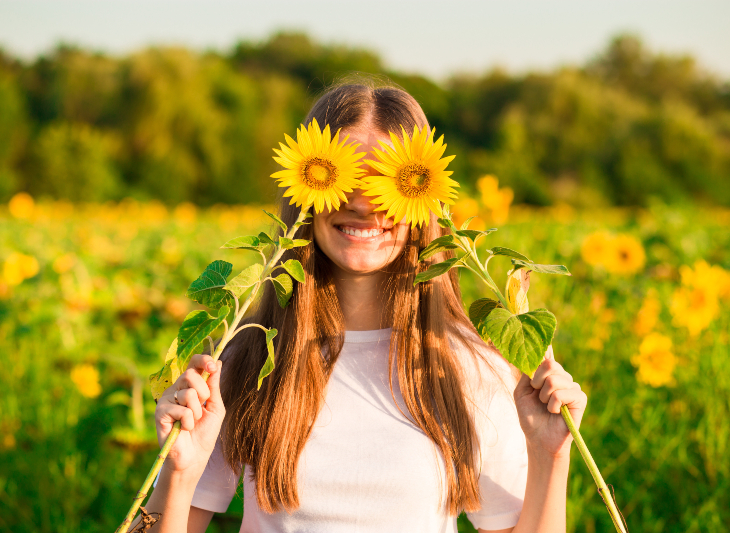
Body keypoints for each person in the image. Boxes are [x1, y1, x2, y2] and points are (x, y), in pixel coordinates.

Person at [139, 82, 588, 533]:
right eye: (343, 177)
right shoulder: (250, 358)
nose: (363, 203)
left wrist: (552, 454)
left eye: (388, 182)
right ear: (304, 189)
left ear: (423, 195)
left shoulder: (471, 369)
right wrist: (176, 475)